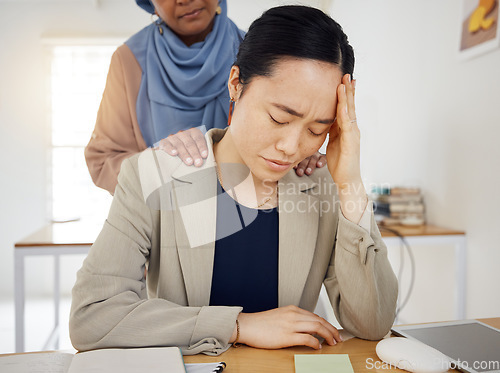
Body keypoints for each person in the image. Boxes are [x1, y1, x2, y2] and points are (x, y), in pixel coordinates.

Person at [70, 5, 398, 356]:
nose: (291, 148)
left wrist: (349, 183)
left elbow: (372, 323)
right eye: (278, 118)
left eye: (317, 129)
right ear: (236, 84)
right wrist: (239, 325)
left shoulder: (321, 185)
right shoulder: (154, 175)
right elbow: (91, 318)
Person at [85, 0, 326, 194]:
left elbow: (283, 138)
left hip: (245, 212)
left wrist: (298, 159)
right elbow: (103, 161)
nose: (185, 0)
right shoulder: (129, 61)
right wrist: (162, 165)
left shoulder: (254, 53)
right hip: (162, 224)